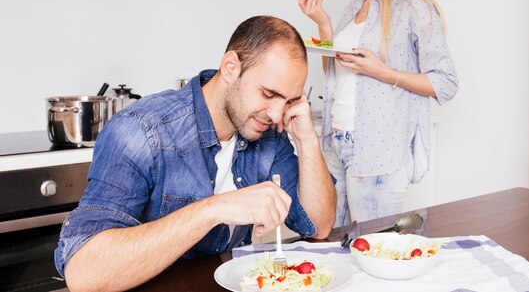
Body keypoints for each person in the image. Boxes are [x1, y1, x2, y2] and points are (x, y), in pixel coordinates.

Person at [54, 16, 336, 291]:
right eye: (268, 93)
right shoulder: (140, 131)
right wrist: (214, 209)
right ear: (230, 67)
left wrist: (307, 139)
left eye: (290, 100)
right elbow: (84, 275)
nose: (277, 114)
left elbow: (318, 226)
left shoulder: (268, 132)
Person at [297, 0, 458, 227]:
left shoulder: (416, 8)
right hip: (336, 143)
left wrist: (382, 72)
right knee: (332, 245)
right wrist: (324, 25)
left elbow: (446, 83)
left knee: (373, 248)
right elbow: (335, 72)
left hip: (376, 150)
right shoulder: (354, 6)